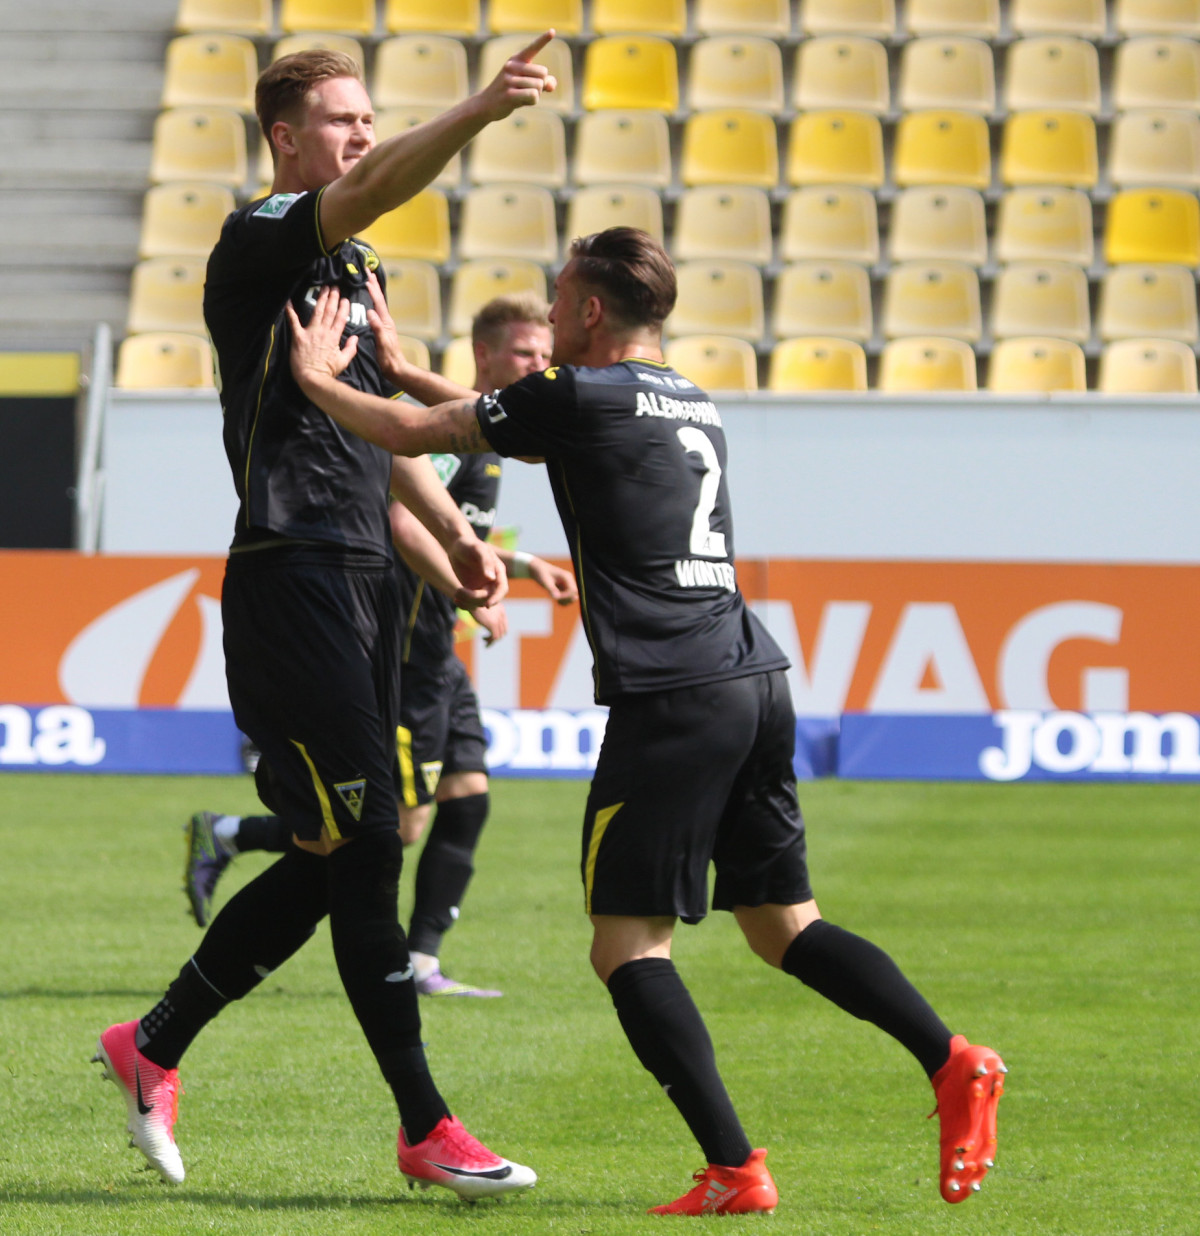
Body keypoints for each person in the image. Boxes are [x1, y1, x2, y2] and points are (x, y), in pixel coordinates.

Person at [284, 227, 1008, 1215]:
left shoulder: (577, 396)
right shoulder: (687, 397)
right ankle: (951, 1058)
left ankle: (736, 1169)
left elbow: (416, 437)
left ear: (589, 311)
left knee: (625, 946)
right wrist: (403, 365)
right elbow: (488, 415)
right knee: (784, 927)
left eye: (558, 297)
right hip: (753, 677)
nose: (550, 313)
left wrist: (318, 380)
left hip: (674, 695)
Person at [92, 43, 558, 1198]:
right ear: (285, 138)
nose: (361, 134)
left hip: (365, 580)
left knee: (329, 852)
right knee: (369, 845)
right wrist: (479, 110)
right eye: (341, 119)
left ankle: (152, 1043)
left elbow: (377, 432)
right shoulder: (259, 240)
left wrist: (456, 542)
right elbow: (379, 185)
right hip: (290, 577)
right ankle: (425, 1126)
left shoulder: (353, 267)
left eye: (367, 116)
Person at [184, 292, 578, 999]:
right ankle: (234, 835)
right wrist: (466, 588)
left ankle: (422, 961)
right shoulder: (441, 431)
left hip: (438, 651)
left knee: (467, 797)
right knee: (394, 826)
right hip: (402, 648)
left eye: (545, 354)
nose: (538, 363)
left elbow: (462, 529)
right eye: (525, 352)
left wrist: (522, 566)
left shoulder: (482, 432)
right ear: (484, 354)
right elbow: (402, 518)